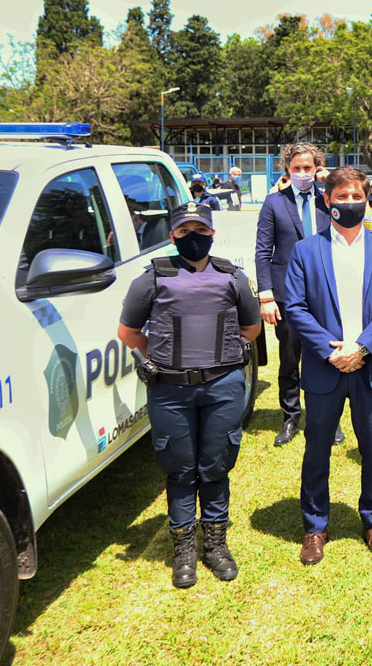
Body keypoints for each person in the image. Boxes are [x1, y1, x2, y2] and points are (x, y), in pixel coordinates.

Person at [117, 201, 262, 588]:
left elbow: (251, 328)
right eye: (184, 231)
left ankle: (215, 544)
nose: (192, 237)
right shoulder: (151, 279)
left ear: (212, 233)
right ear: (172, 236)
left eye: (200, 230)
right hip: (170, 390)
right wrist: (162, 355)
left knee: (216, 467)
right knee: (180, 470)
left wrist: (221, 352)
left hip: (222, 387)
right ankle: (184, 549)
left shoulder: (232, 277)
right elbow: (128, 333)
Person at [283, 167, 372, 565]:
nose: (350, 203)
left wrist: (363, 347)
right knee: (317, 448)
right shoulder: (306, 250)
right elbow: (295, 307)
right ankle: (315, 526)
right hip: (326, 367)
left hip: (370, 366)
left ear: (367, 200)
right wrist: (329, 350)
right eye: (342, 197)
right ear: (327, 200)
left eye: (357, 196)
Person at [255, 142, 345, 447]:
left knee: (327, 355)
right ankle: (291, 416)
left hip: (326, 292)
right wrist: (266, 295)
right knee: (290, 358)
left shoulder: (329, 200)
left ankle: (330, 418)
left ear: (317, 168)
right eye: (297, 168)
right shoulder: (274, 203)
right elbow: (262, 251)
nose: (303, 173)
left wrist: (332, 182)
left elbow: (358, 204)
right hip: (287, 294)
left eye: (308, 168)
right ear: (287, 170)